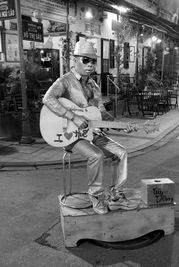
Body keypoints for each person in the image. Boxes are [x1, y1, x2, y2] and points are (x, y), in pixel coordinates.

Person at [43, 39, 135, 215]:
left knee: (121, 152)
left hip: (92, 132)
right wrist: (72, 116)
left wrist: (121, 125)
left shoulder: (94, 85)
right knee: (96, 155)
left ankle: (115, 192)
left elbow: (100, 113)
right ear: (75, 60)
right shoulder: (65, 81)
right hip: (71, 135)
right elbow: (48, 99)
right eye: (85, 60)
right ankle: (96, 197)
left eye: (93, 60)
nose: (90, 64)